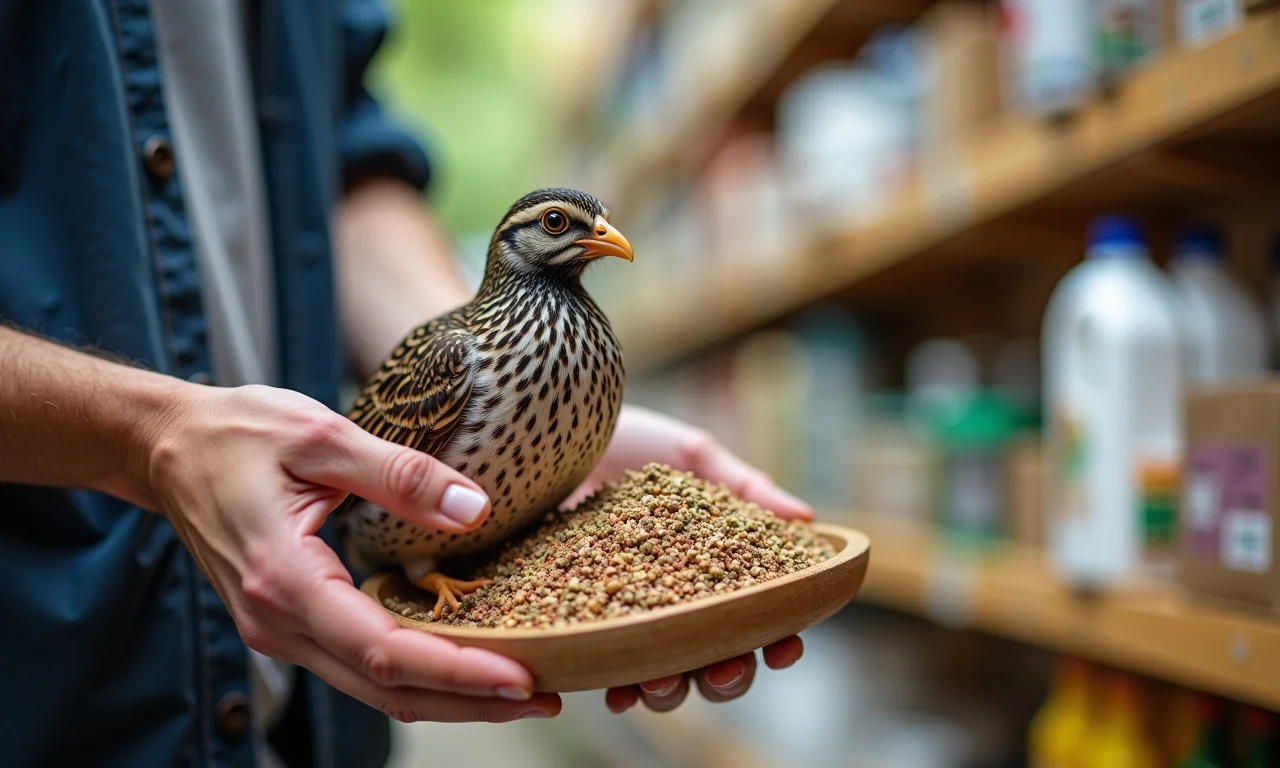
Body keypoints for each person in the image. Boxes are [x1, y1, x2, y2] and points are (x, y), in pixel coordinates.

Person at [0, 2, 813, 766]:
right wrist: (148, 437)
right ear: (513, 248)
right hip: (74, 666)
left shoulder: (585, 347)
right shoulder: (457, 356)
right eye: (562, 228)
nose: (598, 238)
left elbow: (353, 159)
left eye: (591, 227)